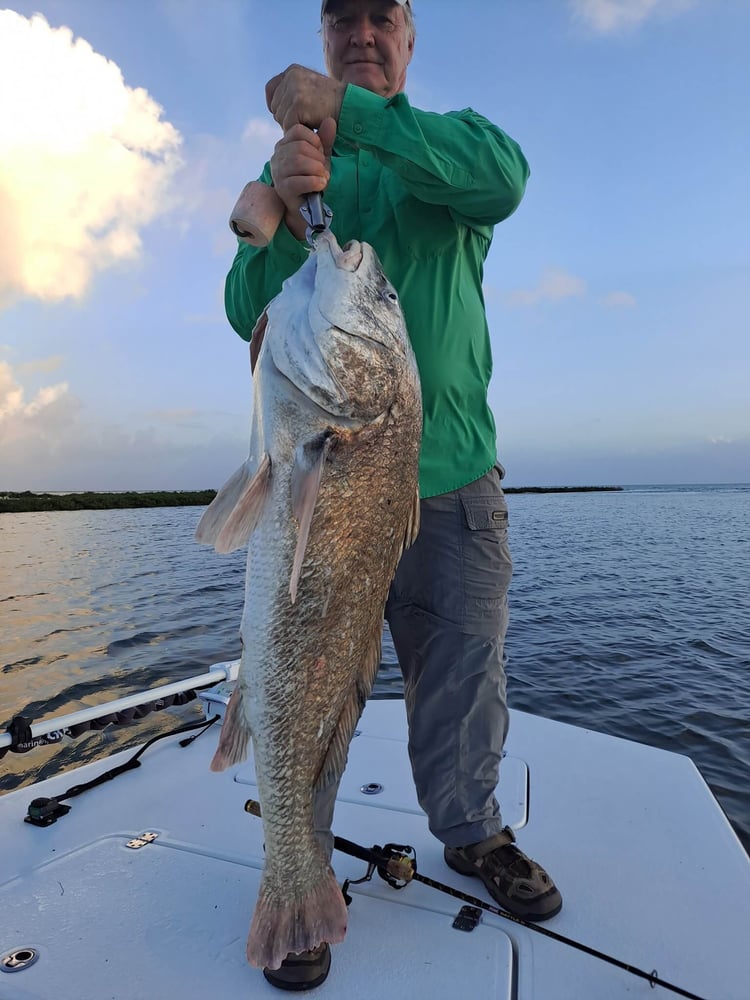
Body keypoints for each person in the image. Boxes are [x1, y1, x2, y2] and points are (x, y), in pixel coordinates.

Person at [225, 0, 562, 989]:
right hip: (330, 490)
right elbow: (249, 310)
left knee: (463, 676)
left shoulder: (443, 158)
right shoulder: (300, 176)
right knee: (312, 684)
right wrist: (279, 222)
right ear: (326, 36)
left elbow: (506, 176)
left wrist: (355, 118)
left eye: (385, 16)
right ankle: (299, 871)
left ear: (409, 40)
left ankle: (473, 834)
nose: (364, 32)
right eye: (345, 18)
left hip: (452, 483)